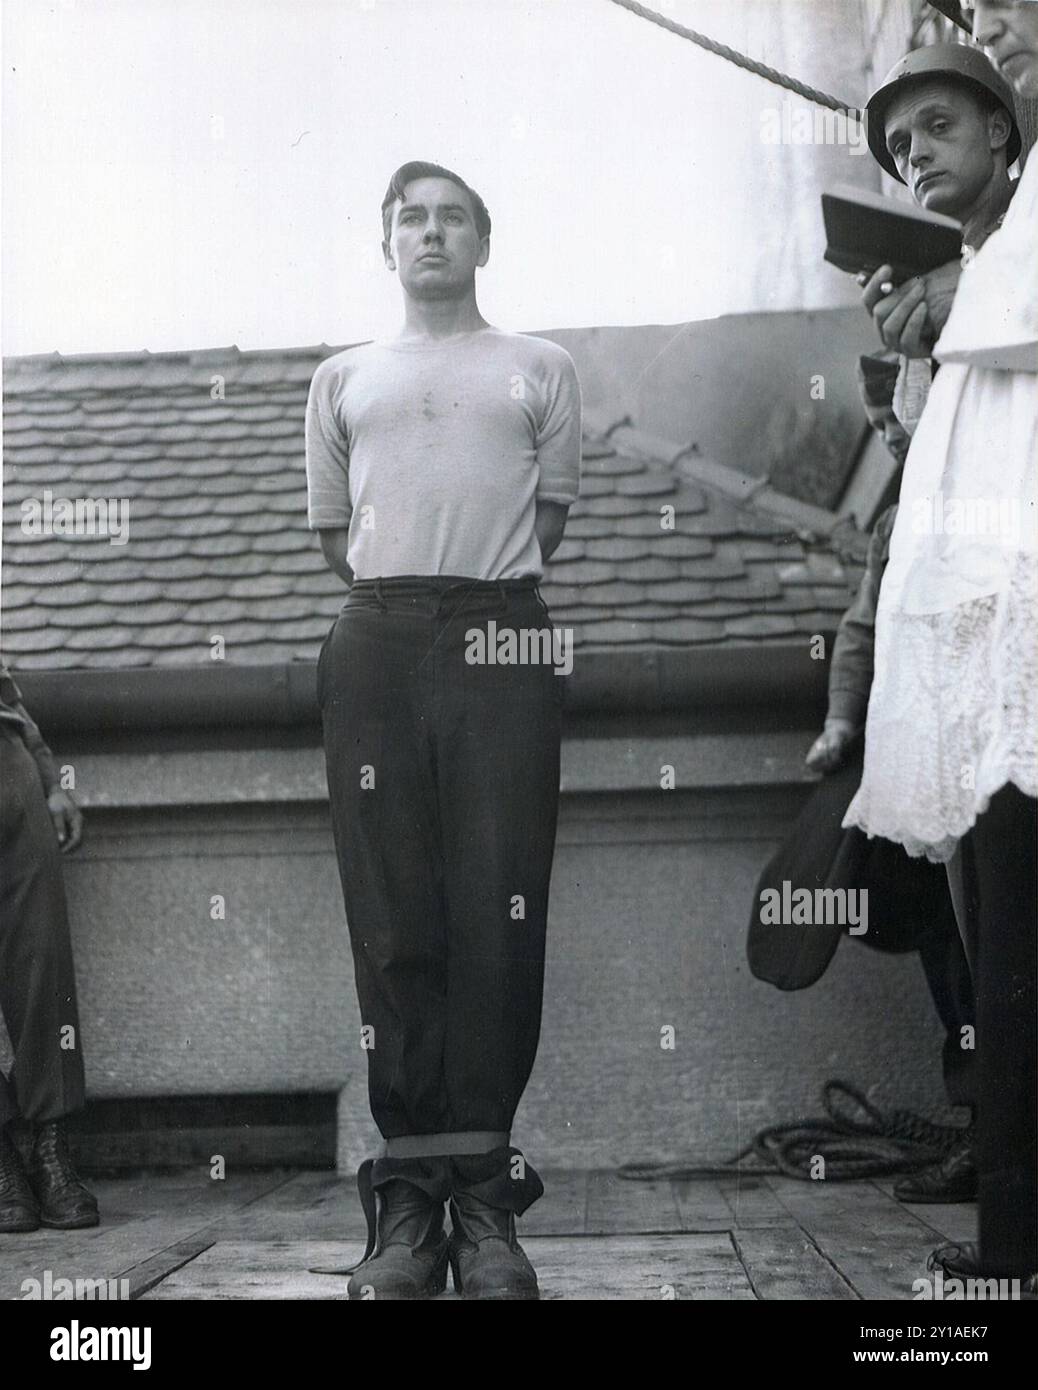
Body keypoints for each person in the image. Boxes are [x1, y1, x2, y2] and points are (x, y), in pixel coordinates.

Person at [306, 161, 581, 1299]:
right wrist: (405, 602)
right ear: (386, 247)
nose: (430, 233)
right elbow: (336, 534)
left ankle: (485, 1209)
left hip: (503, 638)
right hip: (376, 638)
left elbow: (545, 523)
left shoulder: (540, 368)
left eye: (452, 217)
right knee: (394, 918)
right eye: (410, 219)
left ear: (482, 240)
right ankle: (409, 1212)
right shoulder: (341, 377)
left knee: (499, 914)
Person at [846, 3, 1038, 1283]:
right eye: (899, 140)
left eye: (941, 123)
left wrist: (950, 296)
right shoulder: (955, 291)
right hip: (968, 675)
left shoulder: (1018, 246)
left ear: (1007, 132)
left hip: (1027, 660)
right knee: (1000, 956)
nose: (917, 151)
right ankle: (1016, 1242)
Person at [805, 360, 977, 1205]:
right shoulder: (894, 522)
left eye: (905, 415)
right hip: (930, 773)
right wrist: (842, 720)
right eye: (882, 426)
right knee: (952, 949)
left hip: (1005, 758)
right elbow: (862, 628)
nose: (896, 434)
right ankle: (988, 1130)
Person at [0, 658, 99, 1233]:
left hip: (8, 772)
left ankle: (51, 1149)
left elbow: (7, 695)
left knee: (43, 960)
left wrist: (49, 781)